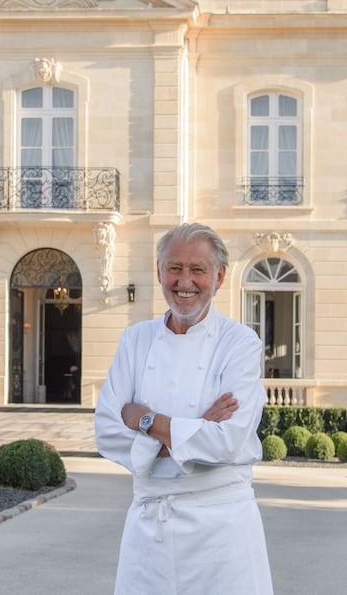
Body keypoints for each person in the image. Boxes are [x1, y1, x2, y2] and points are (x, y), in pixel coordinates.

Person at [95, 223, 273, 594]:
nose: (184, 281)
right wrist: (195, 427)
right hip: (149, 530)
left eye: (198, 270)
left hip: (222, 531)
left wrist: (145, 421)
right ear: (159, 272)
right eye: (174, 268)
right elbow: (108, 433)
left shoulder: (240, 344)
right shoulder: (135, 339)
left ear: (220, 277)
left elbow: (226, 441)